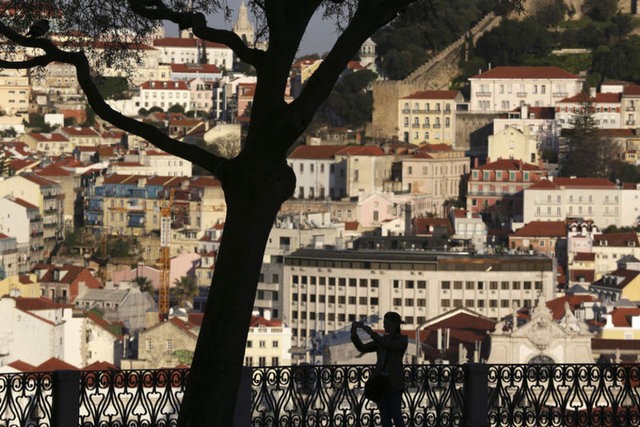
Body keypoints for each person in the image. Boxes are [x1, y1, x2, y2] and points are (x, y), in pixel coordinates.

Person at [351, 312, 408, 427]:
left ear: (395, 325)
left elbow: (388, 345)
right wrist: (354, 333)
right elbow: (362, 348)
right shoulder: (382, 340)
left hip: (394, 383)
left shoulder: (402, 340)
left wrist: (372, 333)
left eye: (386, 323)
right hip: (381, 383)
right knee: (385, 416)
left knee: (396, 414)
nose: (384, 326)